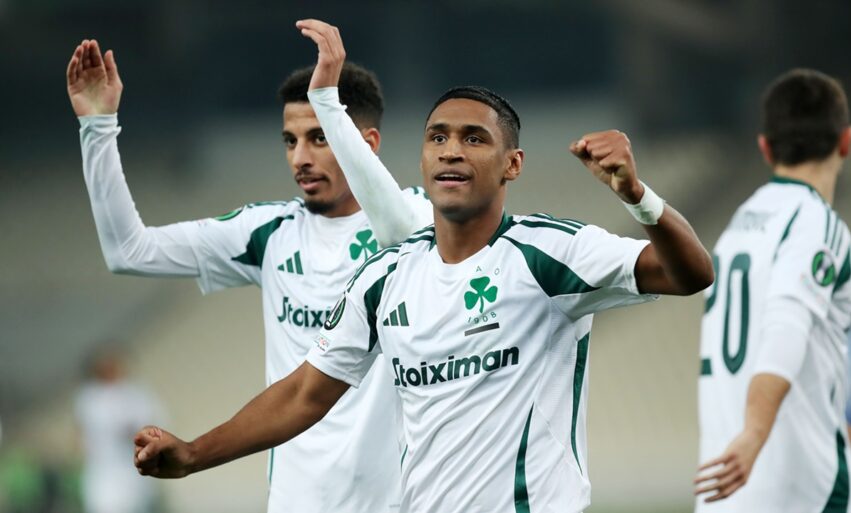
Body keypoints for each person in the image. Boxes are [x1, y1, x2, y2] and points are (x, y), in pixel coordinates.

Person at [132, 74, 713, 511]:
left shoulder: (549, 253)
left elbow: (690, 274)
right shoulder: (385, 277)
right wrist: (193, 454)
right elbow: (304, 394)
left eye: (473, 138)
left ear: (512, 164)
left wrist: (638, 198)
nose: (451, 150)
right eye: (438, 137)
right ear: (422, 159)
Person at [66, 19, 432, 513]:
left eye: (319, 137)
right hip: (294, 503)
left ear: (364, 144)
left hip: (396, 503)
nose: (300, 158)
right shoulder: (268, 232)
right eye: (290, 141)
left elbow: (408, 229)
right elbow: (128, 252)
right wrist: (97, 128)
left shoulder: (417, 223)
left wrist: (328, 98)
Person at [694, 69, 851, 511]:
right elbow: (786, 328)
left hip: (722, 487)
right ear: (845, 141)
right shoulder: (816, 224)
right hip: (801, 490)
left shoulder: (738, 226)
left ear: (765, 147)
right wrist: (755, 434)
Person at [75, 348, 165, 513]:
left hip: (133, 468)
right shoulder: (90, 397)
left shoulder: (136, 394)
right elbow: (85, 431)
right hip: (103, 470)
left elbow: (154, 424)